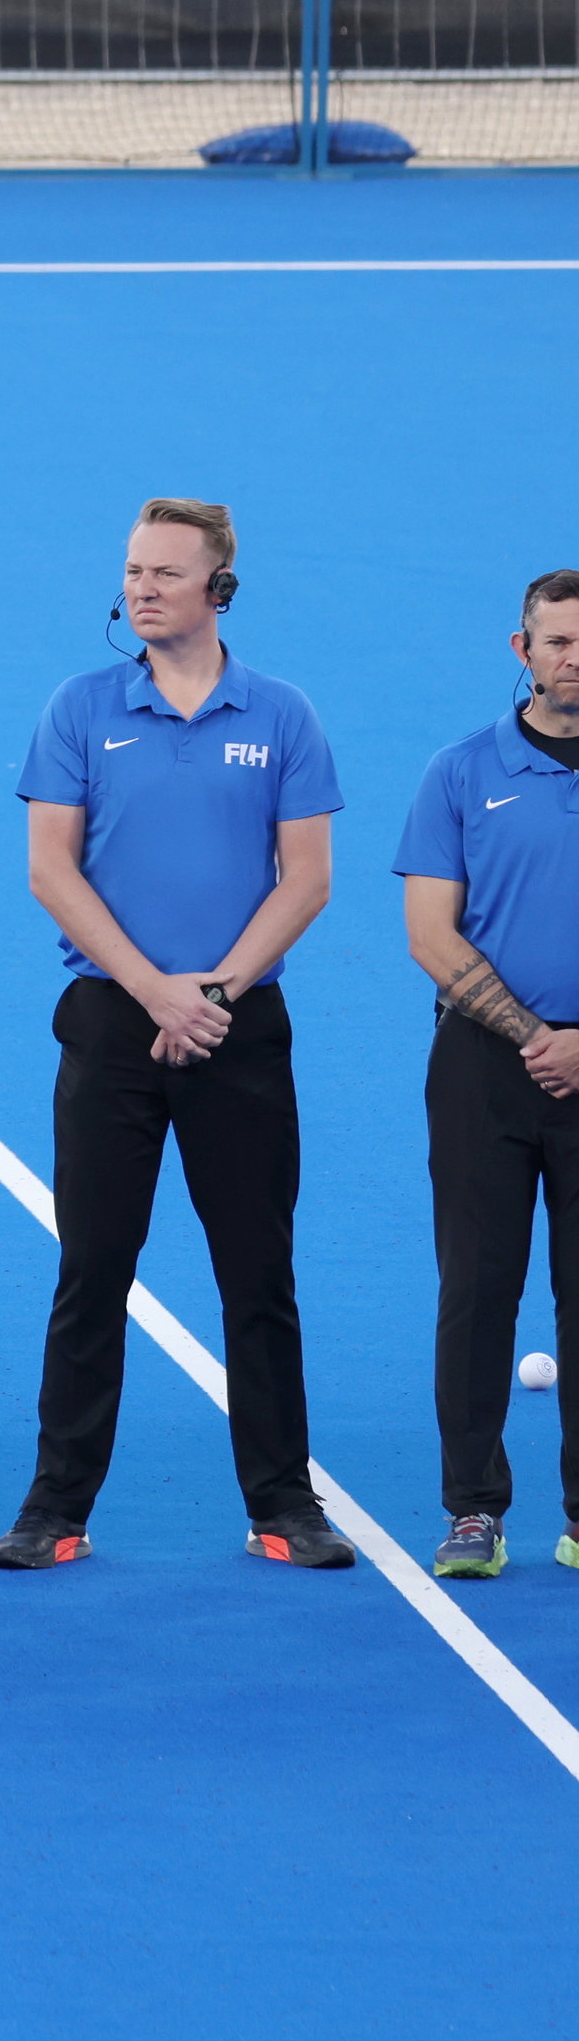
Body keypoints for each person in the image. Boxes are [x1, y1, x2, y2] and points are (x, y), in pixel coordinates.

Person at [4, 497, 350, 1572]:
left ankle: (282, 1502)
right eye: (131, 571)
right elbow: (48, 869)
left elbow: (307, 877)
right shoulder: (79, 708)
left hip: (235, 1028)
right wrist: (156, 990)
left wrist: (214, 990)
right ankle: (53, 1505)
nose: (140, 587)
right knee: (92, 1267)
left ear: (218, 589)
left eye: (163, 571)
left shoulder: (280, 714)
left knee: (256, 1271)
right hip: (113, 1023)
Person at [393, 565, 579, 1577]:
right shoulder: (460, 772)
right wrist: (533, 1035)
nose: (572, 658)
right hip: (481, 1068)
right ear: (520, 650)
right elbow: (428, 930)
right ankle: (472, 1510)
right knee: (476, 1289)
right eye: (555, 640)